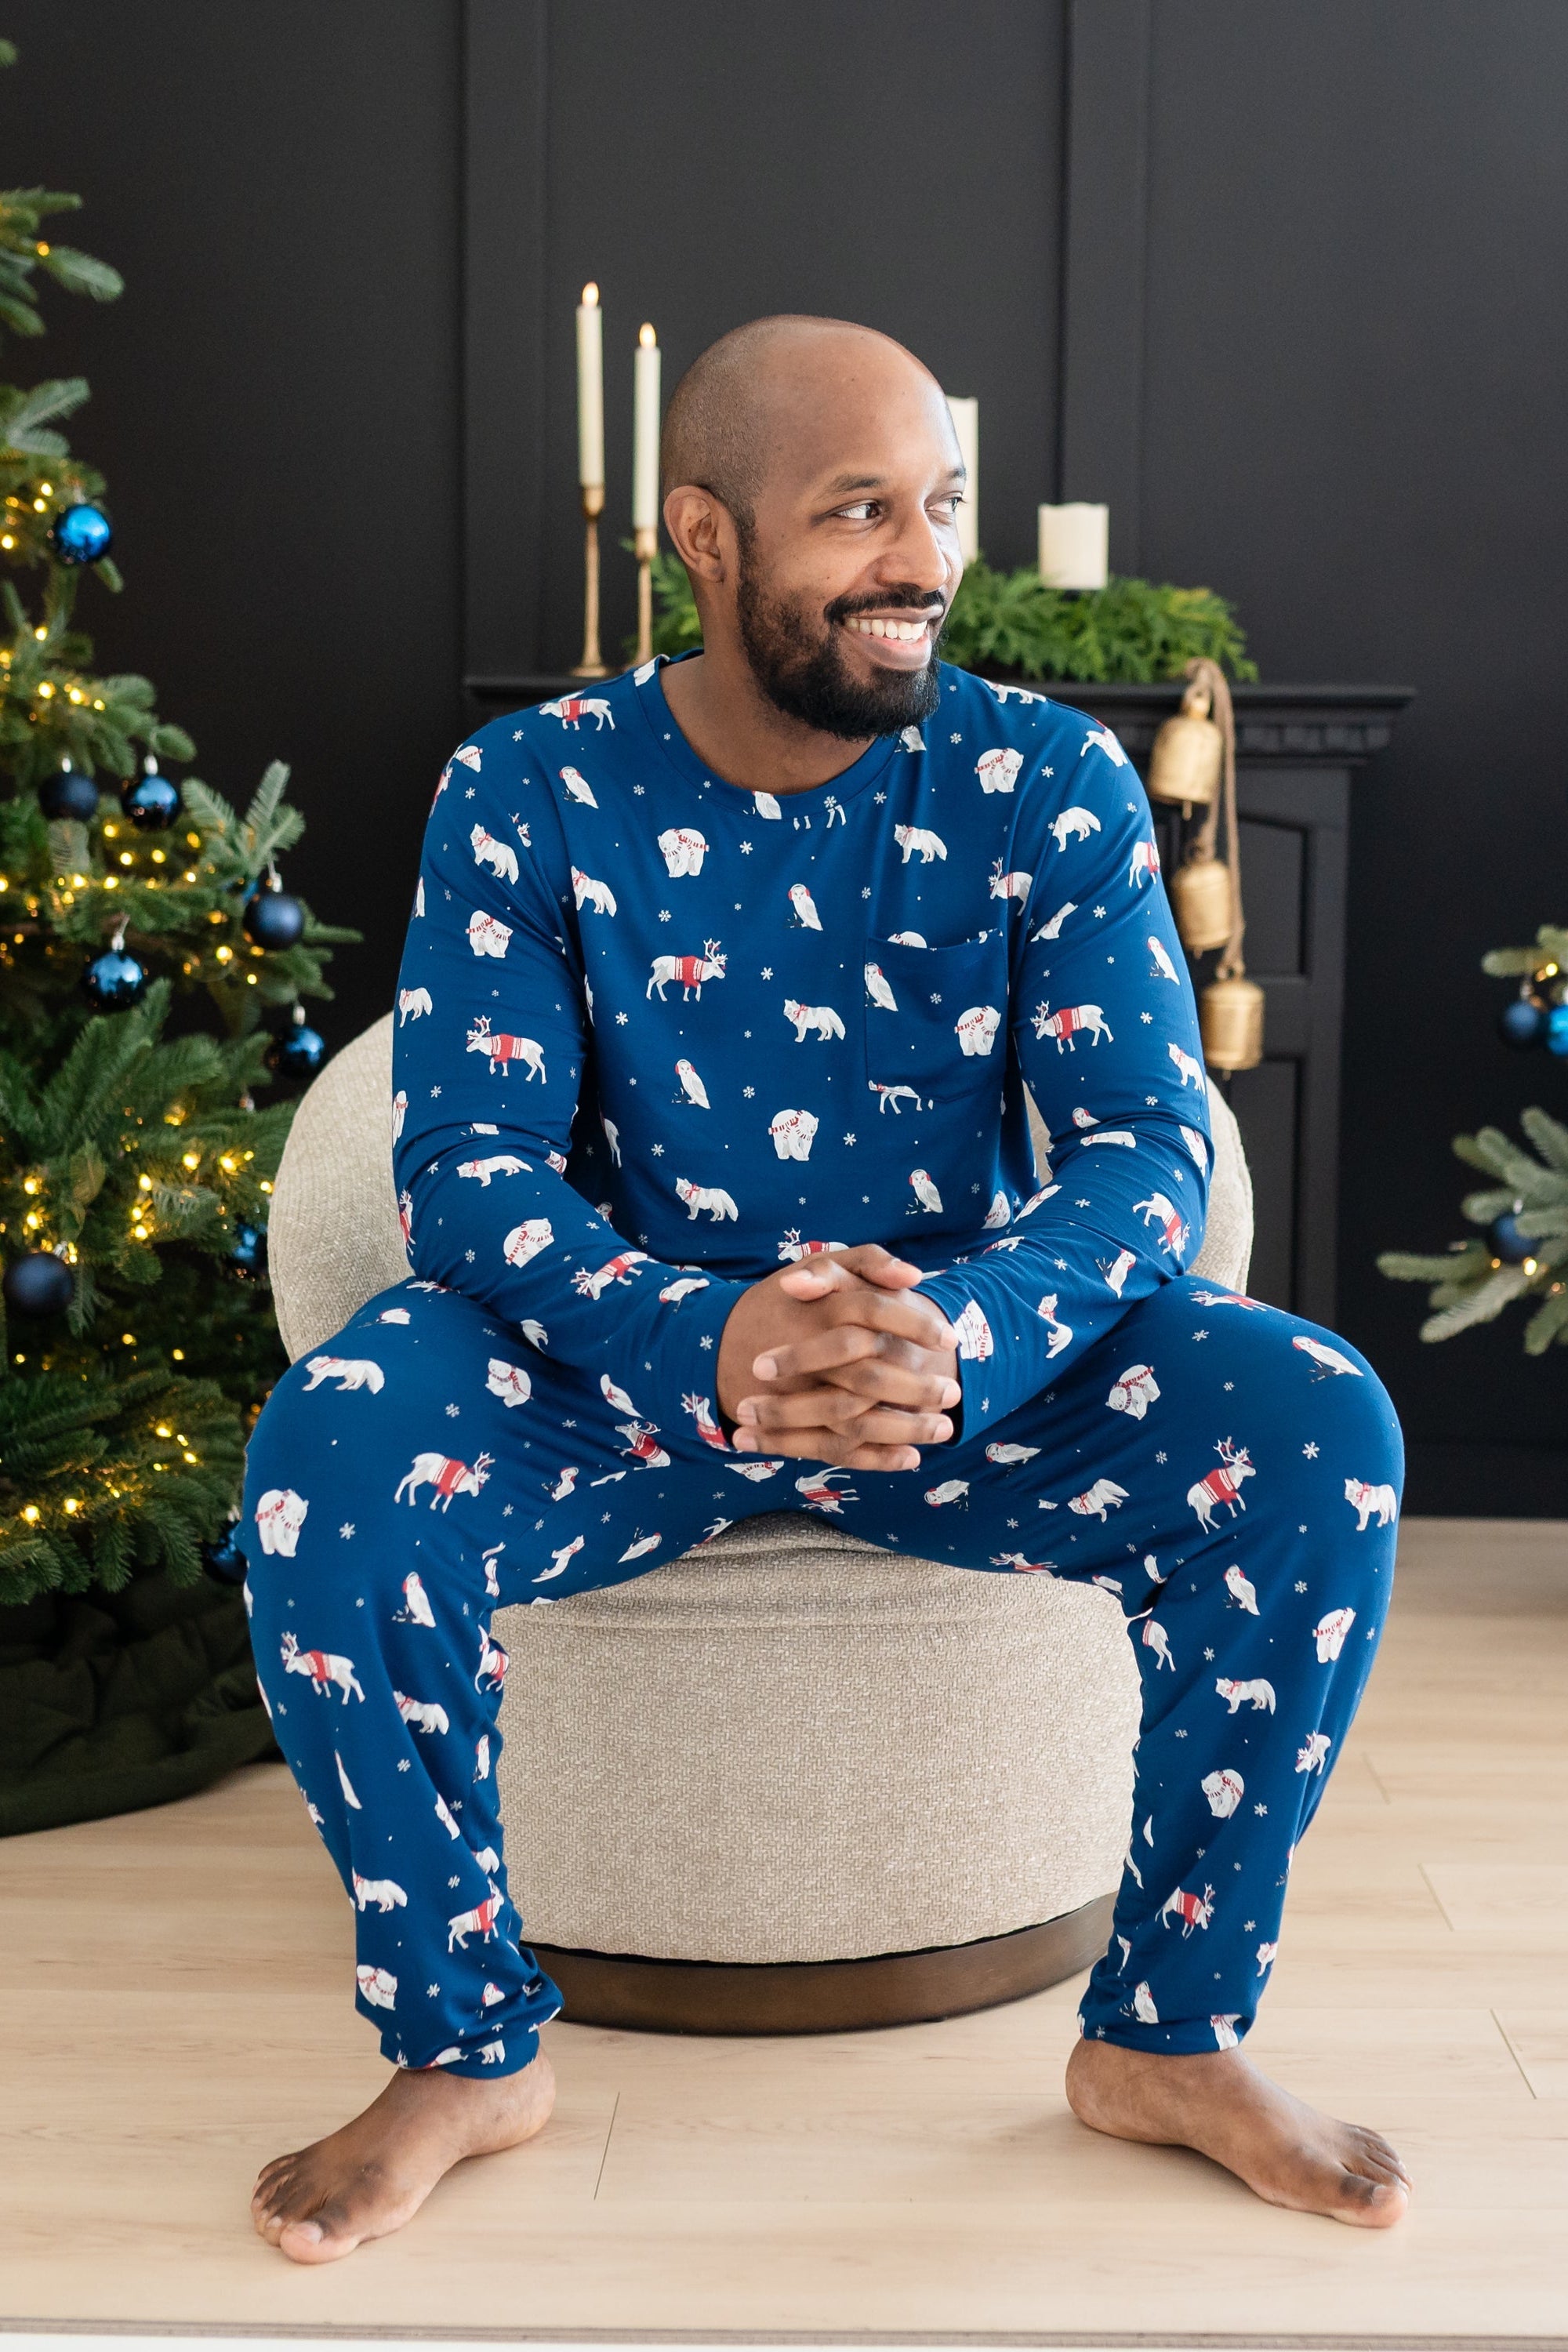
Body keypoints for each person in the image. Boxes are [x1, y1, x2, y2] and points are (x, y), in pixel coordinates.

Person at [241, 316, 1410, 2263]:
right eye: (858, 510)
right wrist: (699, 1333)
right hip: (616, 1376)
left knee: (1322, 1431)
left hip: (967, 1371)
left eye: (938, 503)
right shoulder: (525, 788)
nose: (922, 561)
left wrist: (966, 1329)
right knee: (329, 1463)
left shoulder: (1045, 778)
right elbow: (464, 1171)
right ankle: (465, 2049)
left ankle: (1166, 2041)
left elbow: (1146, 1146)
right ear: (702, 536)